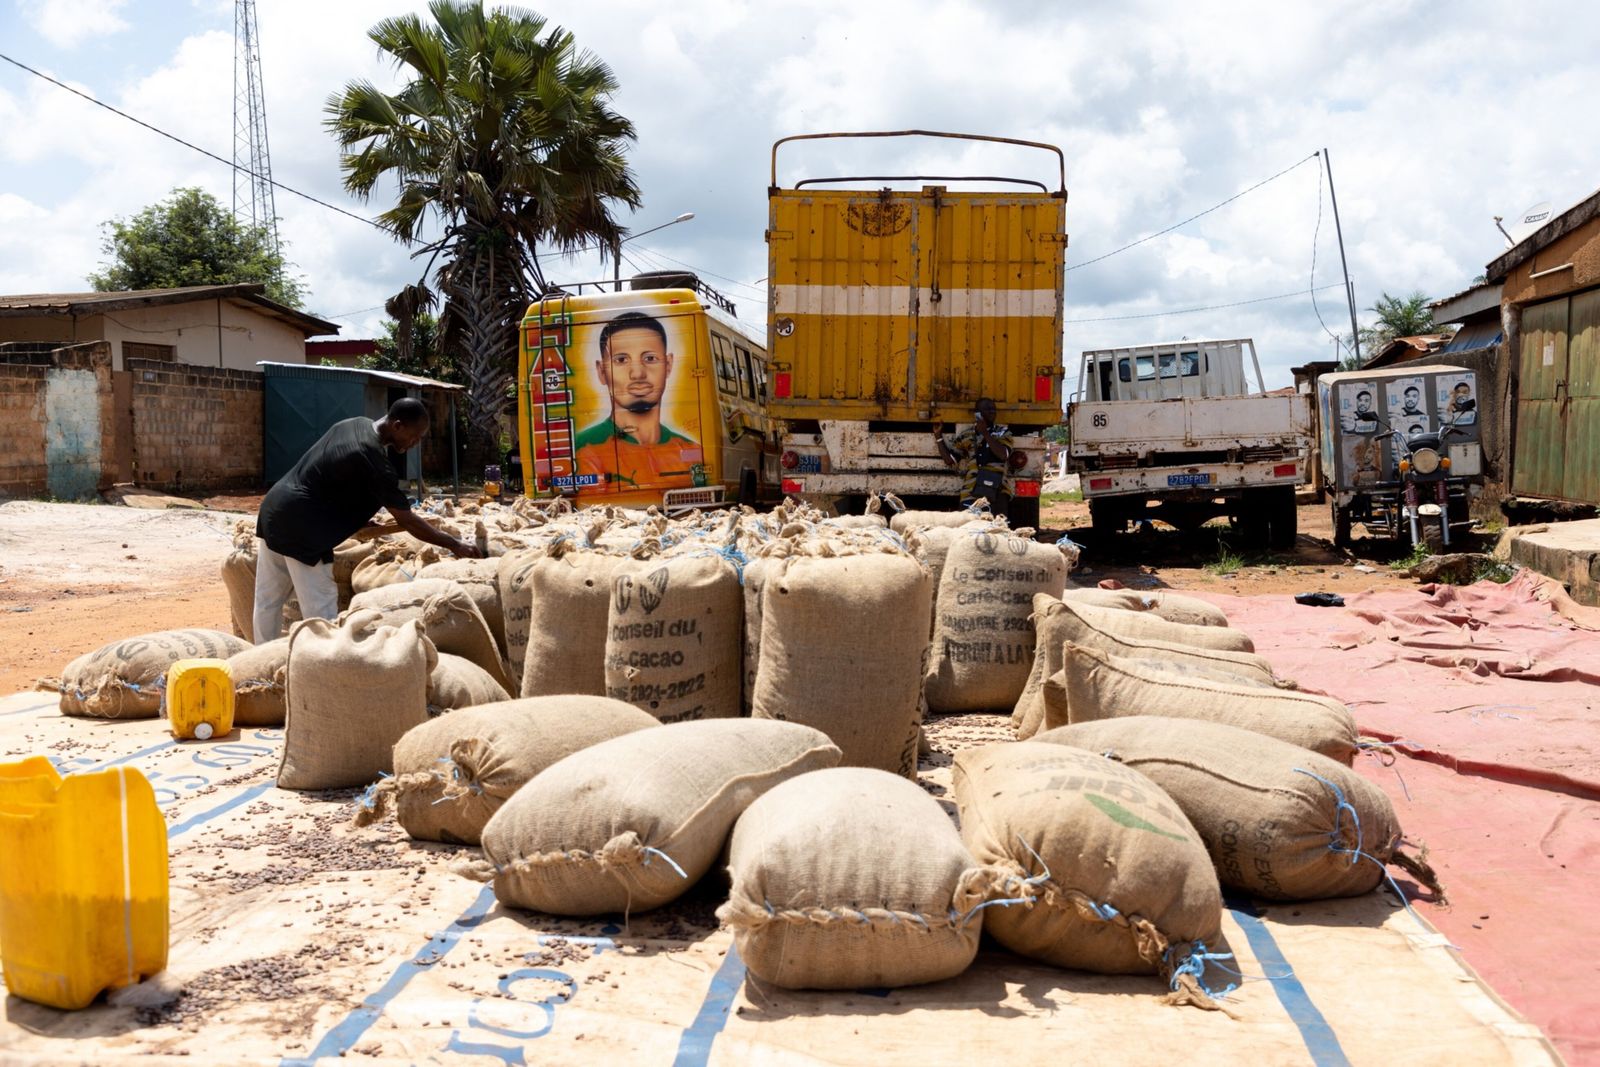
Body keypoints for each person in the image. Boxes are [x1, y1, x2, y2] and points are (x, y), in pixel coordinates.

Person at [252, 398, 482, 642]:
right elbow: (408, 521)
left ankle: (260, 663)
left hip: (275, 509)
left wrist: (355, 521)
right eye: (414, 436)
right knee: (322, 609)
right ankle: (326, 669)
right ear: (397, 425)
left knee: (268, 600)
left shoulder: (354, 424)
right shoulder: (373, 460)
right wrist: (454, 544)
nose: (415, 444)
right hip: (302, 528)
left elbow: (330, 476)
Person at [573, 311, 702, 488]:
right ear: (602, 371)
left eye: (650, 358)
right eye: (621, 360)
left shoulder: (691, 450)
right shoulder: (583, 447)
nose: (638, 374)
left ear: (669, 365)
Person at [933, 397, 1013, 513]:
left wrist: (985, 433)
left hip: (996, 492)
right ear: (977, 414)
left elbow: (1003, 455)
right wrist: (938, 437)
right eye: (987, 409)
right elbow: (950, 461)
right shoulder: (966, 435)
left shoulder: (1003, 433)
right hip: (970, 493)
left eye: (993, 409)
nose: (992, 411)